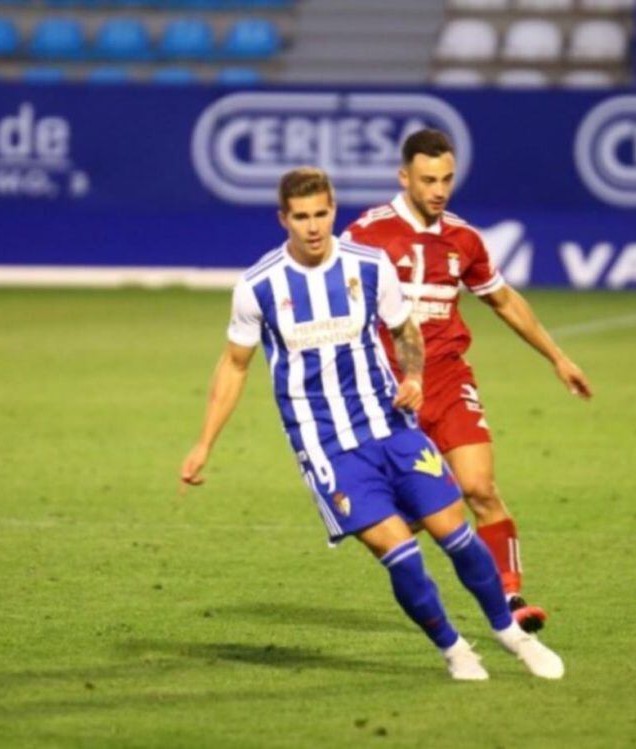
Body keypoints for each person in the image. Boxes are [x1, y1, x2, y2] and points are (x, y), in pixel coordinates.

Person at [179, 167, 564, 680]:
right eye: (301, 217)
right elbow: (234, 365)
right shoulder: (258, 286)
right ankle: (454, 650)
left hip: (393, 427)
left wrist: (413, 375)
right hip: (328, 448)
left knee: (456, 533)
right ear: (283, 219)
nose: (313, 226)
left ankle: (512, 636)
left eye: (321, 214)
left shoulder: (369, 265)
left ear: (333, 211)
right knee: (400, 555)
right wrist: (205, 442)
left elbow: (405, 329)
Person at [342, 130, 593, 632]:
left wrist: (556, 357)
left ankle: (511, 598)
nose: (439, 190)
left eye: (447, 180)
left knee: (479, 487)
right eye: (428, 179)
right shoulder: (366, 235)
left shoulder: (463, 239)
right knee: (404, 519)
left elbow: (503, 301)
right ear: (404, 177)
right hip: (388, 390)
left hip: (448, 378)